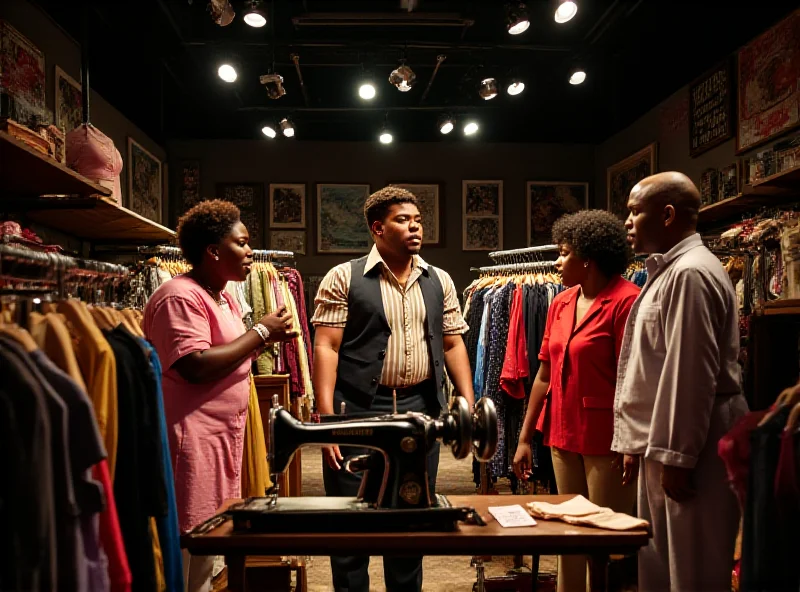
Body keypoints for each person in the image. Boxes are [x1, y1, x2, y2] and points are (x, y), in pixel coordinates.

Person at [312, 186, 475, 592]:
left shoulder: (439, 279)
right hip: (360, 410)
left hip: (421, 411)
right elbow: (326, 346)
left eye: (418, 220)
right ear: (377, 228)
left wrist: (467, 403)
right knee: (350, 524)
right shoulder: (343, 277)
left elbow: (453, 341)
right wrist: (326, 416)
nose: (414, 226)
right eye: (403, 219)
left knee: (409, 521)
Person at [143, 200, 296, 592]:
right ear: (213, 250)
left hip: (218, 439)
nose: (249, 252)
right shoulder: (179, 296)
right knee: (188, 543)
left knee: (208, 547)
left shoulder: (223, 295)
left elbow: (226, 353)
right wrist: (260, 333)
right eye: (242, 243)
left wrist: (264, 341)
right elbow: (193, 365)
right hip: (189, 441)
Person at [612, 172, 749, 592]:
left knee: (692, 569)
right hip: (667, 438)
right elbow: (653, 366)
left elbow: (689, 371)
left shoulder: (690, 273)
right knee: (661, 564)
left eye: (635, 211)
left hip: (692, 441)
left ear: (667, 214)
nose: (628, 222)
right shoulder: (670, 271)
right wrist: (641, 443)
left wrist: (677, 455)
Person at [512, 210, 640, 592]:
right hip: (561, 433)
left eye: (564, 253)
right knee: (566, 534)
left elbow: (634, 379)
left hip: (608, 439)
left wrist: (631, 439)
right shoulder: (561, 303)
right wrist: (523, 438)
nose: (556, 261)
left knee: (603, 539)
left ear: (588, 257)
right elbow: (544, 374)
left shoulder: (626, 301)